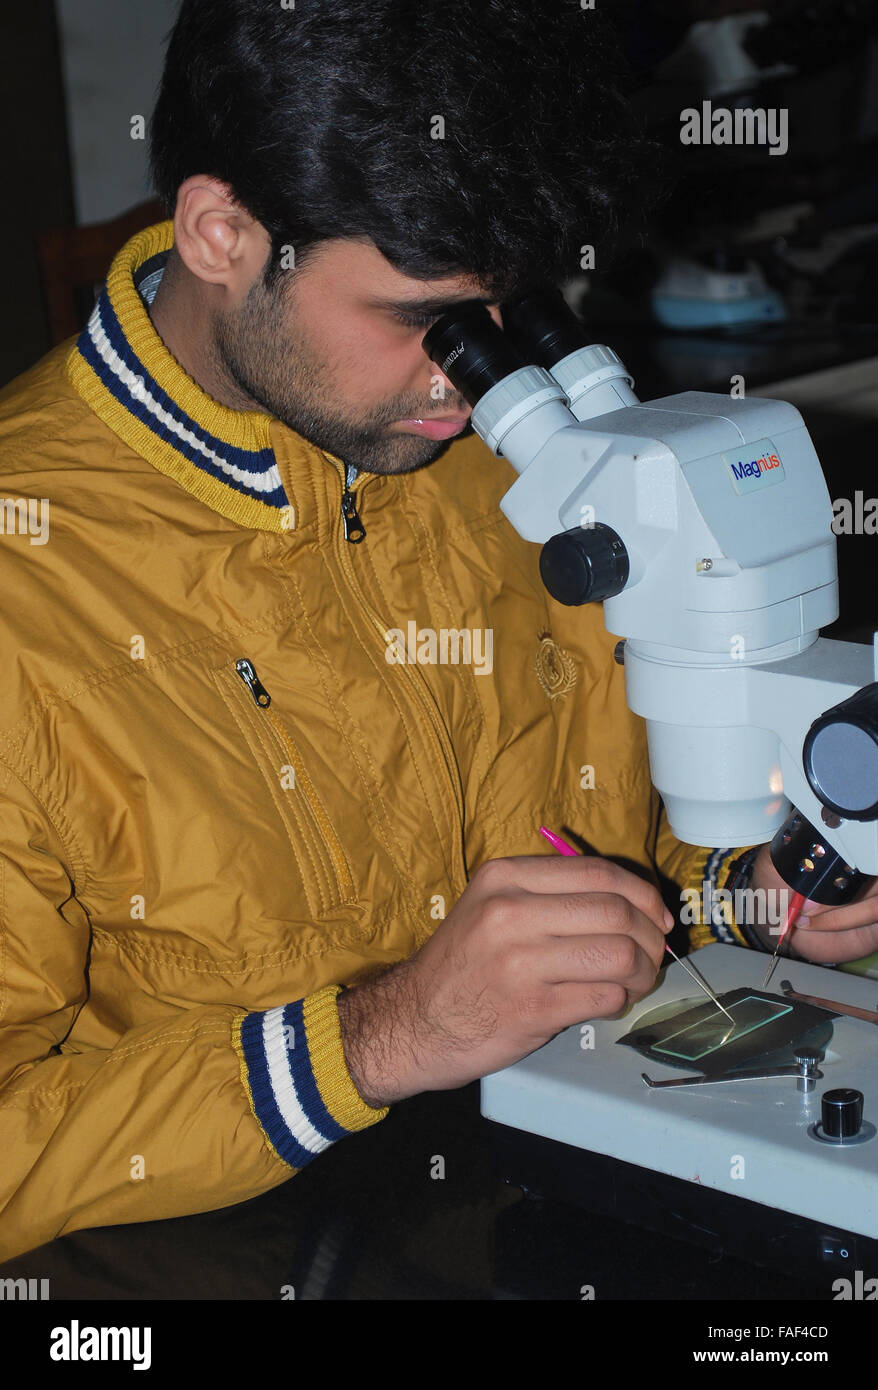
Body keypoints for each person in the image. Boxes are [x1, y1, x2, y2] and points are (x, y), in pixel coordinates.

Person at [1, 0, 875, 1265]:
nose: (460, 383)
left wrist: (754, 898)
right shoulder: (34, 588)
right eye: (422, 321)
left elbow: (609, 850)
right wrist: (381, 1034)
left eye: (498, 315)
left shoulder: (488, 455)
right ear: (221, 232)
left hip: (540, 1187)